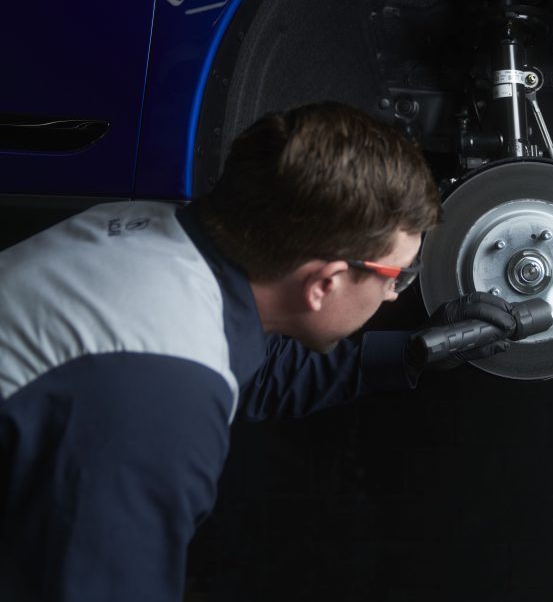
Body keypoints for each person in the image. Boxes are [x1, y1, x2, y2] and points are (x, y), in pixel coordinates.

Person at [0, 101, 516, 601]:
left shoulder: (155, 235)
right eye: (396, 274)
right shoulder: (158, 400)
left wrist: (411, 353)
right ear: (325, 283)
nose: (393, 293)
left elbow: (249, 363)